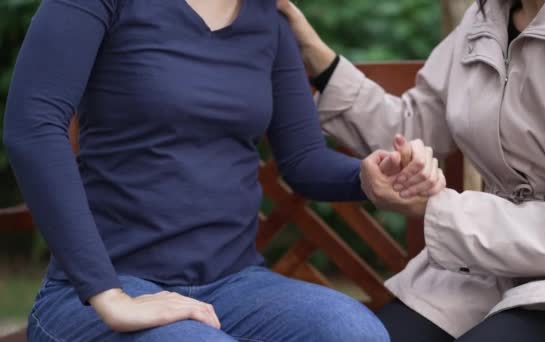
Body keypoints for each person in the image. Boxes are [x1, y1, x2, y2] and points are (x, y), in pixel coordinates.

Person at [3, 0, 445, 341]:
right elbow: (32, 127)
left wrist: (365, 179)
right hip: (100, 288)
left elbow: (304, 161)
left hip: (234, 286)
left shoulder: (267, 20)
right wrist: (110, 296)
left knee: (355, 332)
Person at [278, 0, 545, 340]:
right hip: (489, 270)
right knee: (370, 336)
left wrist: (437, 208)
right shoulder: (484, 19)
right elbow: (410, 124)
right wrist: (314, 53)